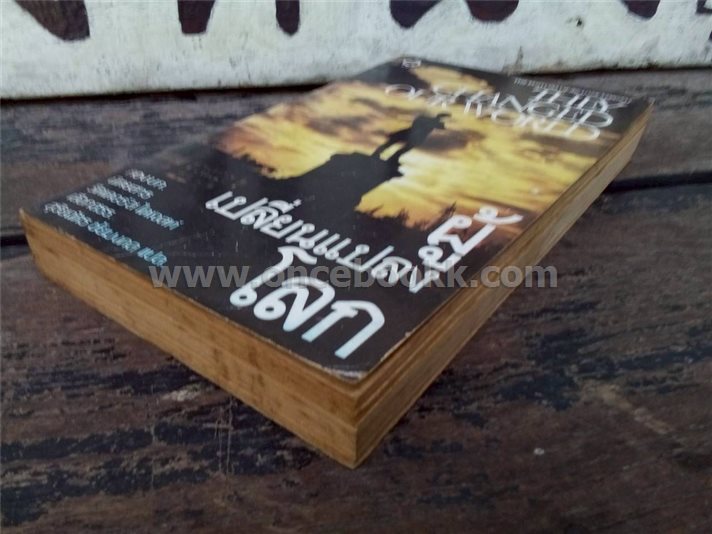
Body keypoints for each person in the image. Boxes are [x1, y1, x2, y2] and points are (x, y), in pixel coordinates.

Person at [373, 112, 450, 162]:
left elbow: (441, 127)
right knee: (391, 143)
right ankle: (377, 155)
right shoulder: (427, 120)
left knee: (400, 148)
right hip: (410, 134)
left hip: (415, 137)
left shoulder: (432, 122)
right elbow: (417, 122)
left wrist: (437, 120)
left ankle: (391, 159)